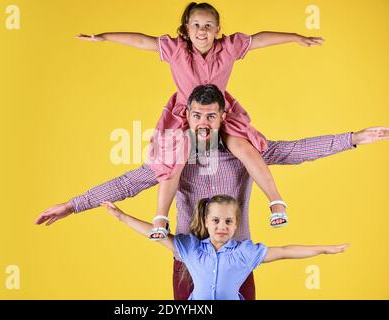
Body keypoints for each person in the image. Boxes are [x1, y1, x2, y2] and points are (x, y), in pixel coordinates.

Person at [35, 84, 389, 300]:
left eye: (211, 116)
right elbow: (128, 183)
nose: (203, 122)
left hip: (238, 260)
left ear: (222, 117)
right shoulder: (175, 157)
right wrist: (72, 205)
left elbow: (295, 150)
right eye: (197, 116)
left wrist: (353, 139)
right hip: (189, 263)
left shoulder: (244, 152)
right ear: (186, 117)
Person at [77, 2, 326, 236]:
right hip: (185, 116)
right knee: (174, 156)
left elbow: (260, 38)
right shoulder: (176, 50)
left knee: (244, 147)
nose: (202, 31)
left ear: (218, 29)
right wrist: (104, 37)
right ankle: (160, 218)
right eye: (196, 25)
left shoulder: (229, 47)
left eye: (208, 26)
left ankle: (276, 202)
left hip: (218, 113)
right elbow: (142, 40)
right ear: (187, 28)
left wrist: (296, 37)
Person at [100, 195, 348, 300]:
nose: (222, 226)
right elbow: (155, 234)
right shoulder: (191, 249)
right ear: (206, 222)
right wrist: (122, 216)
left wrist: (323, 249)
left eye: (228, 221)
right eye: (216, 220)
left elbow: (284, 251)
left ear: (236, 224)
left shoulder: (245, 253)